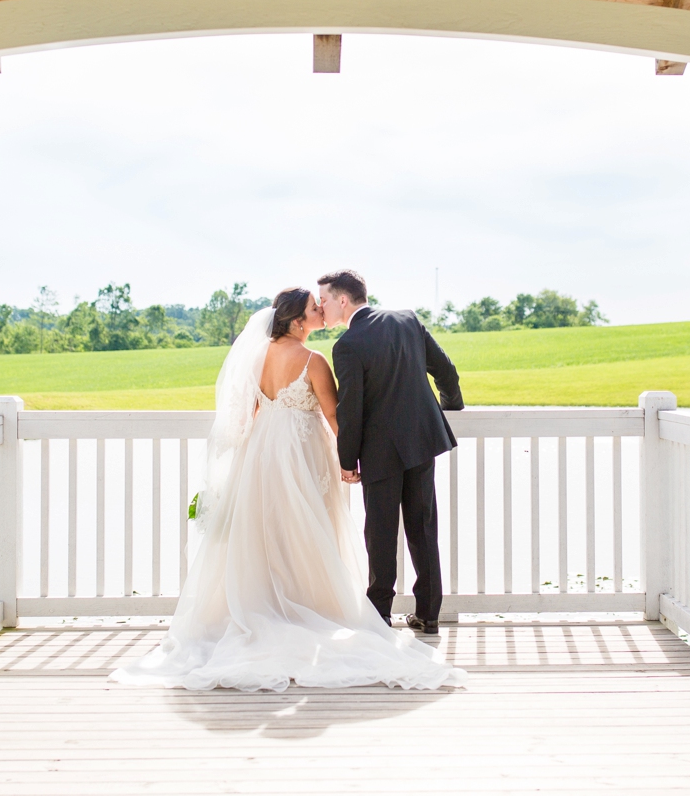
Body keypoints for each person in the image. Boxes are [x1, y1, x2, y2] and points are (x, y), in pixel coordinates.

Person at [111, 286, 464, 692]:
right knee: (345, 527)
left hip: (262, 452)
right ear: (299, 321)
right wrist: (351, 460)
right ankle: (414, 611)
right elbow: (337, 413)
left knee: (275, 530)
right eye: (316, 308)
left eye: (324, 303)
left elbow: (256, 410)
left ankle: (308, 608)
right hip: (330, 448)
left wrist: (339, 458)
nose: (322, 311)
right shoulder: (326, 354)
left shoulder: (259, 355)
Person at [319, 269, 464, 636]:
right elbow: (444, 369)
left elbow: (351, 409)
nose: (321, 307)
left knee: (381, 532)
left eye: (323, 300)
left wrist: (347, 460)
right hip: (421, 440)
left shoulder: (347, 345)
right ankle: (429, 614)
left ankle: (380, 615)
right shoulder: (407, 320)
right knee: (423, 526)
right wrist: (452, 405)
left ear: (343, 300)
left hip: (381, 450)